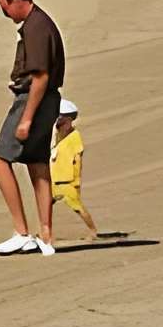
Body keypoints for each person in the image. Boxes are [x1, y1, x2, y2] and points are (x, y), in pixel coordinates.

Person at [0, 0, 65, 255]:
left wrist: (27, 118)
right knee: (37, 164)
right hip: (49, 101)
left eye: (4, 7)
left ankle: (21, 232)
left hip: (33, 100)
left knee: (0, 159)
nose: (5, 13)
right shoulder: (40, 23)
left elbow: (40, 76)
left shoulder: (35, 27)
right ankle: (46, 236)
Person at [51, 101, 104, 242]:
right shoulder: (58, 135)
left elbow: (78, 160)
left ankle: (93, 230)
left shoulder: (75, 136)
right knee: (45, 206)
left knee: (77, 207)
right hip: (54, 179)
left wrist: (76, 182)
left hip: (67, 180)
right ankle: (47, 232)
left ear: (68, 120)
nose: (57, 122)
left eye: (59, 118)